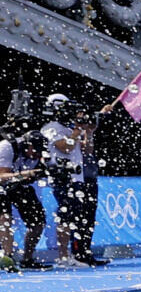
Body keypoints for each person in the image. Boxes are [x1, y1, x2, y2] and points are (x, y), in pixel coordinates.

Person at [40, 95, 107, 266]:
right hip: (62, 176)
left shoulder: (69, 128)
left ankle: (82, 252)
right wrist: (78, 129)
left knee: (84, 215)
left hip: (78, 176)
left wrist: (88, 133)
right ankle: (64, 255)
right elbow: (65, 147)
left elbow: (87, 150)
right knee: (67, 214)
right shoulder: (50, 128)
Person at [0, 121, 49, 269]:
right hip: (2, 184)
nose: (36, 155)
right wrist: (23, 174)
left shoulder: (36, 154)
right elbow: (1, 176)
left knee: (38, 221)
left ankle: (27, 259)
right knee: (4, 218)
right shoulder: (7, 147)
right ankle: (7, 258)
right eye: (35, 151)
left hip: (17, 184)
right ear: (27, 145)